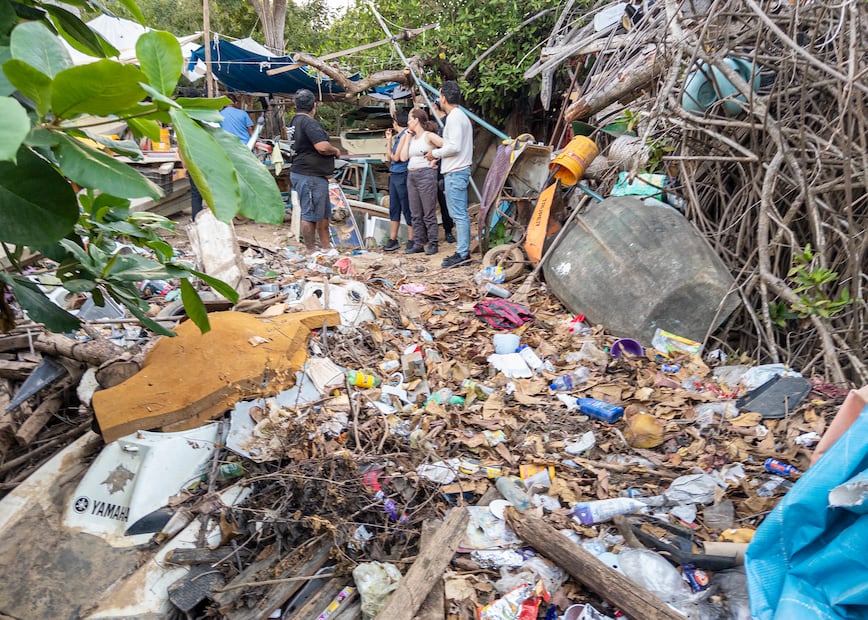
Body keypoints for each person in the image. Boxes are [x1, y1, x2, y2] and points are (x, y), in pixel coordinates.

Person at [288, 89, 342, 253]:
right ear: (314, 106)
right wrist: (335, 150)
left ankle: (326, 247)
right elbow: (322, 147)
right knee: (310, 214)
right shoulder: (309, 123)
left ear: (296, 105)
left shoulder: (294, 122)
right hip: (309, 175)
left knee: (323, 213)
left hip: (311, 174)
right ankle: (311, 250)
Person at [427, 81, 473, 268]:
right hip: (456, 170)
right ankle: (463, 251)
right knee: (459, 214)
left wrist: (434, 153)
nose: (439, 99)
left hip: (456, 172)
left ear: (444, 98)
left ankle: (463, 253)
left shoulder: (454, 117)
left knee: (459, 215)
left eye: (439, 96)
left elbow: (454, 147)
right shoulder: (460, 116)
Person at [400, 109, 443, 255]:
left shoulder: (428, 136)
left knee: (428, 211)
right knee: (415, 212)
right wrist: (407, 138)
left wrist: (436, 158)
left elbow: (445, 145)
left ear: (416, 120)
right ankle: (418, 243)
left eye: (410, 119)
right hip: (411, 174)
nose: (408, 122)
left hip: (426, 173)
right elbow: (403, 157)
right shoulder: (412, 138)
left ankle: (433, 242)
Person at [383, 110, 413, 251]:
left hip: (402, 173)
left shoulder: (406, 135)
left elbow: (396, 157)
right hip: (395, 174)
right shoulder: (399, 136)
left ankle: (412, 238)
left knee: (406, 207)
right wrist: (389, 140)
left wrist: (391, 150)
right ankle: (392, 238)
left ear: (395, 122)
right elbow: (391, 157)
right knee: (394, 207)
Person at [432, 101, 456, 244]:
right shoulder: (433, 124)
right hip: (433, 165)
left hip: (445, 165)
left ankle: (448, 230)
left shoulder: (448, 121)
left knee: (445, 201)